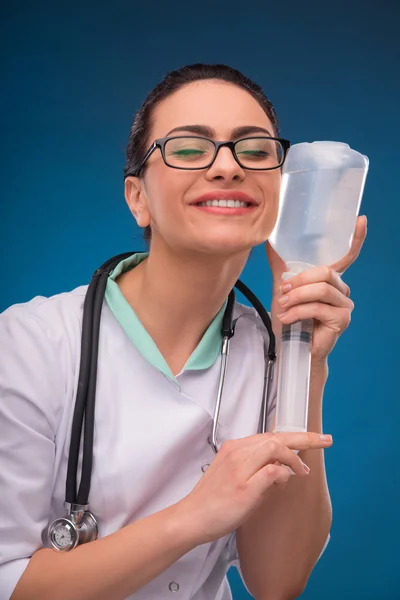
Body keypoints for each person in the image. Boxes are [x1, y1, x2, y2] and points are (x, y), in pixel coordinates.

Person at [0, 63, 367, 600]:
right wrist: (194, 517)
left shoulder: (272, 354)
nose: (227, 168)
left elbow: (276, 582)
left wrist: (304, 359)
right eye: (190, 149)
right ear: (137, 198)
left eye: (255, 150)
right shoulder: (30, 345)